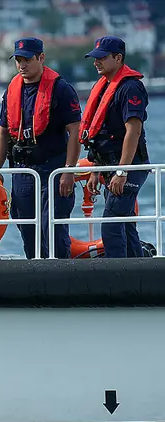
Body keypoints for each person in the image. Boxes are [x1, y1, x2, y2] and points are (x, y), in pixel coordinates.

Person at [0, 37, 81, 259]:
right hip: (23, 169)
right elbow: (3, 132)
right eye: (18, 60)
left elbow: (75, 131)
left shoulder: (61, 89)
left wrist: (68, 171)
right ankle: (35, 272)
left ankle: (61, 274)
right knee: (26, 225)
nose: (22, 65)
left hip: (52, 167)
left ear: (41, 58)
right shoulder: (12, 90)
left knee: (51, 224)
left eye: (27, 60)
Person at [79, 36, 150, 258]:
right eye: (94, 58)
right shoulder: (102, 88)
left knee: (111, 225)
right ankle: (139, 274)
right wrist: (95, 169)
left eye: (102, 58)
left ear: (118, 58)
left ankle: (117, 276)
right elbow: (99, 133)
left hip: (129, 166)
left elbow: (133, 131)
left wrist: (122, 171)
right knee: (126, 226)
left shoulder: (130, 88)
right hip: (109, 165)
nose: (96, 62)